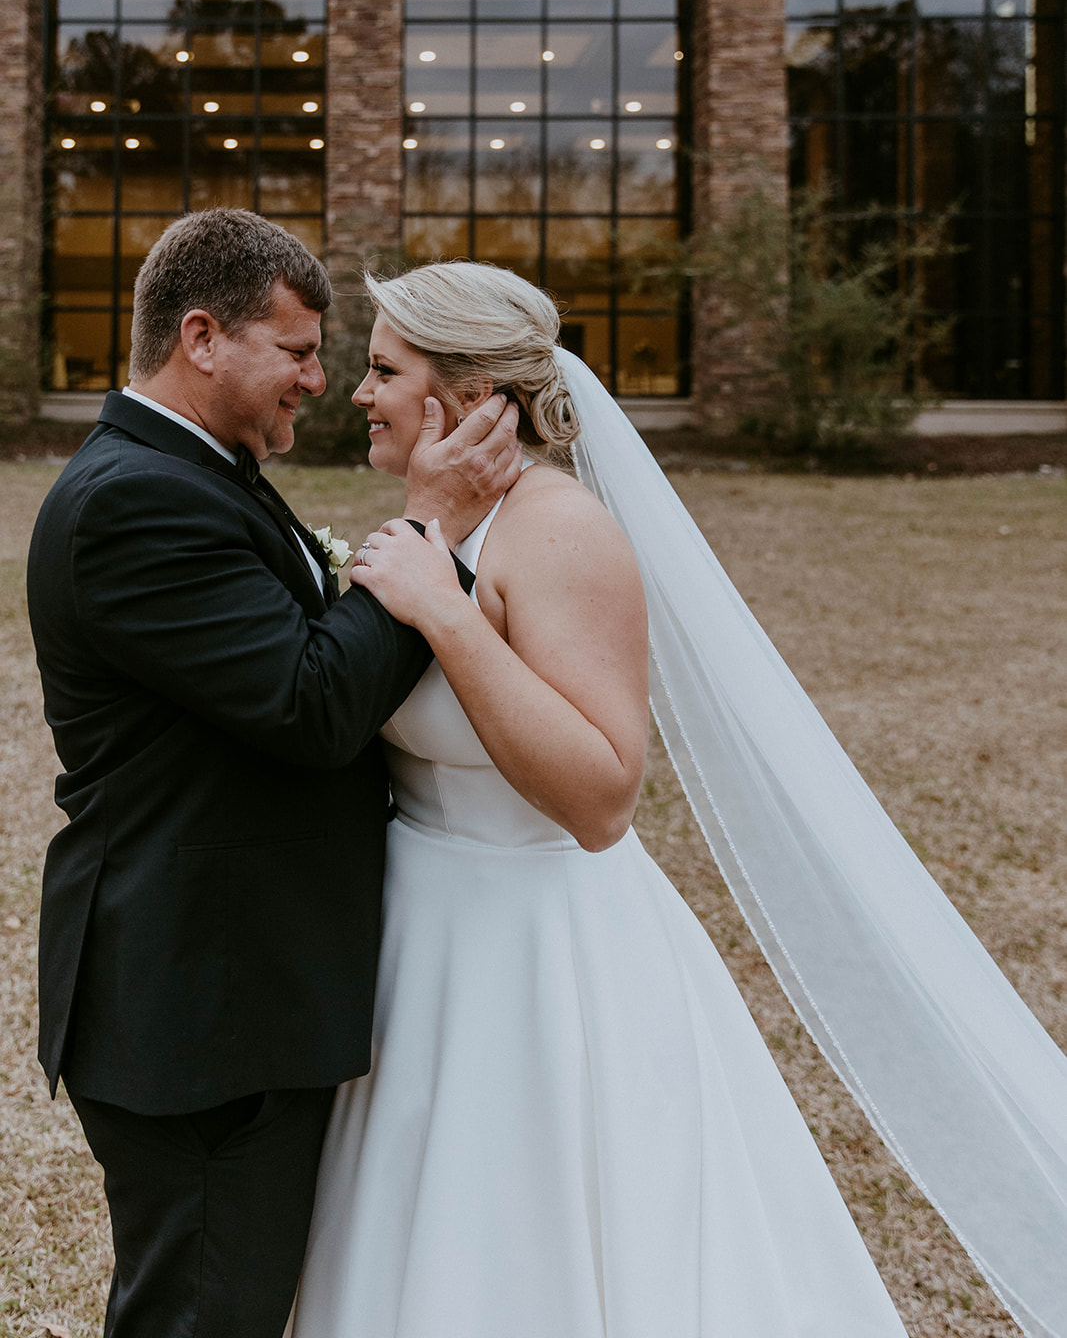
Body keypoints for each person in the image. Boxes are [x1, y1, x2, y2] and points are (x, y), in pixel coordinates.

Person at [284, 259, 914, 1337]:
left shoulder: (560, 531)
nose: (357, 392)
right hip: (414, 940)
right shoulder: (444, 521)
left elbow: (601, 795)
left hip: (538, 952)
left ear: (467, 398)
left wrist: (445, 615)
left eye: (382, 370)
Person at [26, 211, 521, 1338]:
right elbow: (310, 707)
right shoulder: (135, 502)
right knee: (203, 1317)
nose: (320, 378)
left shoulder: (203, 471)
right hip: (203, 1001)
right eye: (296, 351)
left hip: (238, 982)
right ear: (201, 337)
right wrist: (429, 529)